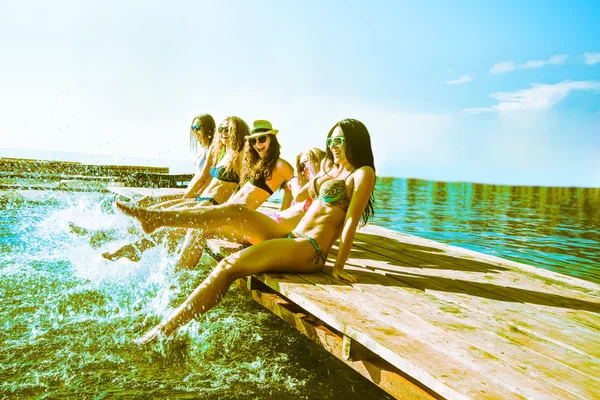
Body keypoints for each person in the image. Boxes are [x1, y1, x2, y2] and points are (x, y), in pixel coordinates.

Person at [116, 118, 376, 344]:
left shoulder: (362, 174)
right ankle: (156, 219)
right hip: (291, 238)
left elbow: (351, 221)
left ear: (355, 142)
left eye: (340, 140)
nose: (333, 145)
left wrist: (338, 266)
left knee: (229, 266)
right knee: (235, 210)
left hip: (311, 249)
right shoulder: (333, 170)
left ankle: (164, 330)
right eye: (331, 139)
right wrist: (317, 175)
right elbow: (302, 193)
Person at [101, 116, 247, 261]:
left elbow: (244, 186)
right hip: (201, 201)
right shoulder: (224, 154)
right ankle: (132, 246)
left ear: (237, 131)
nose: (222, 133)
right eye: (220, 129)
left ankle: (130, 248)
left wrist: (232, 212)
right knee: (162, 220)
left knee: (167, 225)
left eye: (227, 129)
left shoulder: (241, 155)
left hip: (212, 205)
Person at [68, 114, 217, 246]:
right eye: (193, 128)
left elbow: (203, 178)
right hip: (192, 194)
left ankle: (105, 236)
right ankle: (110, 230)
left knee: (153, 212)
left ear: (208, 129)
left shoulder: (213, 150)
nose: (195, 131)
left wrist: (185, 199)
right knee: (143, 202)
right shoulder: (204, 151)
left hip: (199, 196)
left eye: (198, 127)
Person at [173, 120, 294, 270]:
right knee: (191, 223)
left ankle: (180, 274)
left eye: (262, 139)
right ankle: (176, 268)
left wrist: (281, 221)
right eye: (254, 140)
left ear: (273, 141)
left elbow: (293, 193)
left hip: (243, 223)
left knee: (200, 227)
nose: (258, 144)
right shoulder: (257, 164)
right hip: (233, 218)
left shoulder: (281, 165)